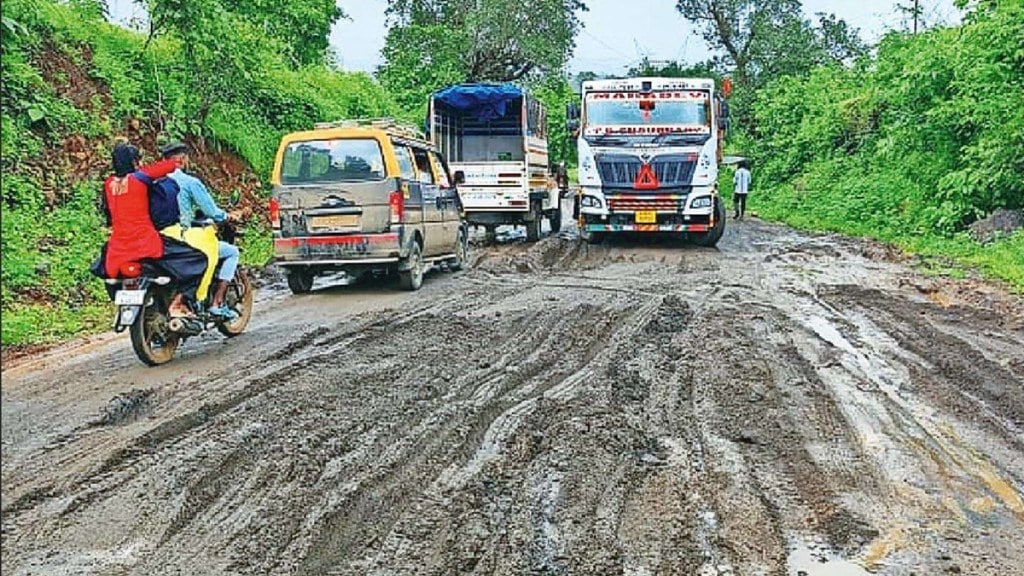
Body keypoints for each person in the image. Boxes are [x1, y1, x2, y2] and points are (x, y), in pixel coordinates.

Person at [93, 142, 207, 318]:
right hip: (145, 243)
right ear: (133, 162)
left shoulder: (108, 184)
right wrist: (176, 160)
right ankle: (178, 304)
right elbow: (168, 167)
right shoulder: (139, 178)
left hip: (117, 249)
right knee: (199, 259)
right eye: (138, 161)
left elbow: (108, 215)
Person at [159, 141, 241, 319]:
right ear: (182, 160)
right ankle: (216, 303)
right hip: (184, 236)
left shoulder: (153, 182)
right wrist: (227, 216)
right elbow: (212, 211)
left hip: (159, 238)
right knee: (231, 252)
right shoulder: (189, 182)